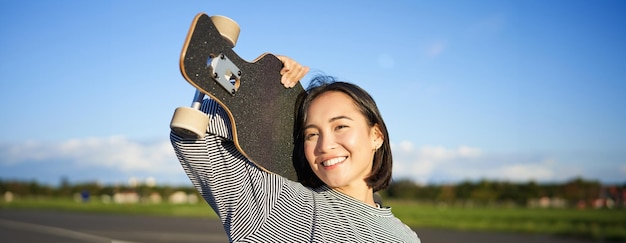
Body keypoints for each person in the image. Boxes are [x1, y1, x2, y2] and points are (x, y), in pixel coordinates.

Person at [170, 56, 420, 242]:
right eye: (312, 134)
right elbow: (196, 135)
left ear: (376, 135)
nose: (325, 145)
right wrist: (263, 87)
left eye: (340, 126)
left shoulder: (406, 237)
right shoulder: (279, 204)